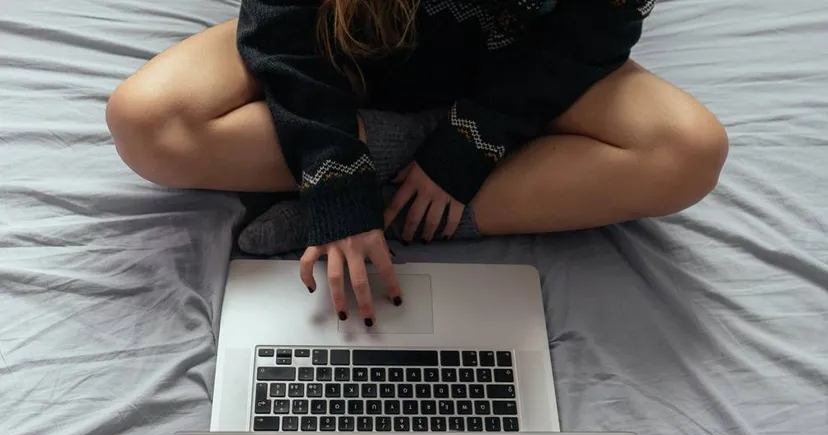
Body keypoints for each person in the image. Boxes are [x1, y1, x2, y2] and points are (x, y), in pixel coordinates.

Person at [106, 0, 728, 327]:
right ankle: (377, 180)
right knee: (147, 123)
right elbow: (282, 31)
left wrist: (469, 144)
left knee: (689, 154)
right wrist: (335, 178)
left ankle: (391, 204)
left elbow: (593, 33)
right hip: (342, 43)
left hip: (515, 77)